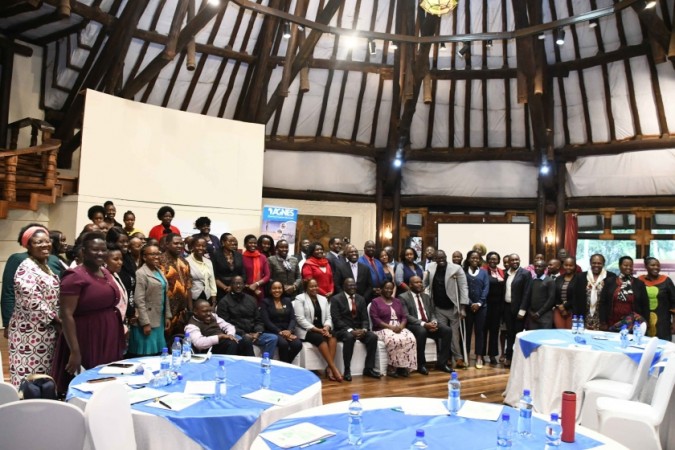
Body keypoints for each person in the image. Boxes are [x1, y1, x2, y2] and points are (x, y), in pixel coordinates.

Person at [51, 232, 125, 393]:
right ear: (84, 251)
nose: (100, 253)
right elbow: (66, 314)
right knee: (88, 381)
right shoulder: (74, 276)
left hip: (107, 332)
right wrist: (75, 351)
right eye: (95, 250)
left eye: (103, 250)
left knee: (106, 378)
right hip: (86, 334)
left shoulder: (105, 272)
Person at [8, 225, 61, 387]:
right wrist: (57, 321)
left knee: (44, 378)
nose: (45, 245)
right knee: (29, 380)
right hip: (29, 335)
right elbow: (33, 301)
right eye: (38, 242)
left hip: (46, 332)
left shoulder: (45, 266)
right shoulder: (26, 268)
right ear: (28, 246)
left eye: (47, 241)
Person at [424, 250, 469, 369]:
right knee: (443, 333)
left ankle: (458, 358)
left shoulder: (456, 268)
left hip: (453, 307)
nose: (441, 260)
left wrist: (463, 307)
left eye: (443, 258)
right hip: (438, 307)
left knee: (454, 335)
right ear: (435, 259)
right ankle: (445, 358)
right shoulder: (431, 267)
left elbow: (463, 287)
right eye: (438, 258)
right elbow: (425, 284)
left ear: (446, 257)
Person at [399, 275, 453, 375]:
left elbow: (432, 313)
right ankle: (421, 365)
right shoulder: (403, 297)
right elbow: (406, 315)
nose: (420, 284)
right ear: (410, 285)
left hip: (428, 324)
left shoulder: (426, 297)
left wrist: (433, 323)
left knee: (447, 330)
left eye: (420, 282)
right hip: (414, 326)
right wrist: (424, 324)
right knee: (422, 331)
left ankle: (442, 363)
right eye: (416, 282)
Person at [330, 278, 382, 381]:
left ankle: (369, 368)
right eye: (350, 285)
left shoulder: (360, 299)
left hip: (359, 329)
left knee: (372, 337)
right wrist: (350, 330)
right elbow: (336, 320)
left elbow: (365, 318)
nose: (352, 287)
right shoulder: (336, 299)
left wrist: (364, 329)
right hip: (343, 330)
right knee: (349, 337)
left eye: (354, 285)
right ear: (344, 287)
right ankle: (347, 370)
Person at [293, 278, 342, 382]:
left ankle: (329, 368)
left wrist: (327, 327)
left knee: (333, 336)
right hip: (306, 330)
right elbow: (300, 319)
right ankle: (333, 368)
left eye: (316, 286)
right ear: (306, 288)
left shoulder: (323, 299)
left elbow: (328, 317)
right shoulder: (300, 298)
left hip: (322, 328)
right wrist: (317, 330)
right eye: (311, 286)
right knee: (320, 339)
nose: (314, 288)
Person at [217, 276, 278, 357]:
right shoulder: (224, 302)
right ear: (231, 285)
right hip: (236, 333)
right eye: (235, 283)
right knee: (245, 340)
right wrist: (244, 334)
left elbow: (258, 319)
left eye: (240, 283)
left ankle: (265, 361)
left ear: (244, 285)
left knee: (273, 338)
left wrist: (258, 332)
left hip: (253, 333)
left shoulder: (251, 299)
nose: (238, 286)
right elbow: (225, 324)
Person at [128, 244, 171, 357]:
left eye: (158, 253)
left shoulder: (158, 271)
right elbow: (139, 300)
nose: (156, 256)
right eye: (152, 254)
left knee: (158, 353)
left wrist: (167, 316)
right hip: (147, 319)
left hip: (159, 318)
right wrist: (145, 323)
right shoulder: (141, 273)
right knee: (146, 355)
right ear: (144, 257)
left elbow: (164, 295)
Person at [369, 280, 417, 377]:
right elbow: (375, 319)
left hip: (399, 327)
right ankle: (392, 367)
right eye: (386, 288)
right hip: (382, 328)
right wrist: (390, 327)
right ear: (381, 289)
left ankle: (403, 366)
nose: (389, 290)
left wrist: (401, 326)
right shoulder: (375, 302)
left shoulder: (397, 301)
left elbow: (404, 317)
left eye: (391, 288)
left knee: (411, 339)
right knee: (394, 339)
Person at [600, 256, 649, 331]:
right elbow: (603, 303)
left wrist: (645, 323)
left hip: (632, 323)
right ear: (619, 266)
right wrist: (603, 322)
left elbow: (645, 305)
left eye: (630, 266)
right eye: (625, 265)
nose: (628, 267)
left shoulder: (639, 284)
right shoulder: (609, 281)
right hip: (611, 322)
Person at [158, 233, 193, 339]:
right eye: (176, 243)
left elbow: (188, 286)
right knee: (165, 340)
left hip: (182, 311)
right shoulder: (159, 261)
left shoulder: (184, 262)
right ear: (167, 244)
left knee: (179, 340)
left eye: (181, 243)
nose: (179, 246)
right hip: (165, 310)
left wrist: (190, 309)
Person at [260, 281, 303, 364]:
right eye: (274, 288)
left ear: (283, 289)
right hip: (273, 331)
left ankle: (286, 364)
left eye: (279, 288)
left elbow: (293, 318)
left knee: (297, 344)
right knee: (283, 344)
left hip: (287, 331)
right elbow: (266, 321)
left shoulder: (287, 300)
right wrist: (280, 332)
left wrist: (289, 331)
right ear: (270, 290)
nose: (277, 290)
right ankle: (284, 366)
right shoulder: (265, 302)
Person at [503, 253, 531, 367]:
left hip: (519, 309)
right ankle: (508, 357)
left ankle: (518, 359)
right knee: (509, 333)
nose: (515, 262)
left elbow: (527, 293)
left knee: (518, 334)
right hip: (507, 308)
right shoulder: (506, 273)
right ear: (508, 262)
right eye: (512, 260)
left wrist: (522, 310)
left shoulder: (525, 273)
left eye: (517, 260)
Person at [573, 254, 615, 331]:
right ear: (590, 263)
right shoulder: (581, 277)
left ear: (603, 264)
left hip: (602, 317)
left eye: (599, 263)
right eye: (594, 263)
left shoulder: (611, 277)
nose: (596, 265)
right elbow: (576, 297)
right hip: (584, 315)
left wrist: (605, 320)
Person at [463, 250, 489, 368]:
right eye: (472, 258)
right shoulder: (463, 272)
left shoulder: (484, 272)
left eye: (477, 258)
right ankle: (467, 356)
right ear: (468, 259)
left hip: (481, 308)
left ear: (480, 260)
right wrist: (470, 303)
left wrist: (479, 303)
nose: (475, 260)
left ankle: (479, 356)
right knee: (467, 332)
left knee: (480, 332)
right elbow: (462, 288)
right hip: (467, 307)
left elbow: (486, 288)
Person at [639, 257, 675, 339]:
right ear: (646, 266)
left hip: (663, 323)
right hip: (644, 322)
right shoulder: (640, 280)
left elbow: (674, 302)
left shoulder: (666, 281)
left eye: (658, 265)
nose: (656, 267)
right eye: (653, 265)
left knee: (663, 344)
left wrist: (674, 323)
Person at [483, 251, 505, 366]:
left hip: (497, 306)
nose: (493, 261)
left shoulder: (501, 272)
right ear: (487, 260)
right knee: (483, 331)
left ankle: (492, 355)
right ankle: (481, 354)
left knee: (494, 331)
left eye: (495, 259)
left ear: (498, 261)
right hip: (485, 305)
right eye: (491, 259)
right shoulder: (483, 271)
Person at [522, 260, 556, 329]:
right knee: (533, 335)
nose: (537, 268)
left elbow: (551, 299)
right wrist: (530, 311)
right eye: (536, 266)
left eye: (540, 266)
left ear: (545, 268)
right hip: (532, 315)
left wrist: (539, 313)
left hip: (545, 315)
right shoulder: (533, 280)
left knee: (544, 335)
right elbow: (528, 297)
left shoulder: (550, 281)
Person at [212, 233, 246, 298]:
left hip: (238, 288)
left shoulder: (238, 255)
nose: (233, 243)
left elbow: (243, 273)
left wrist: (237, 285)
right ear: (223, 242)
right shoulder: (215, 255)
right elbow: (213, 275)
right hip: (221, 289)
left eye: (233, 241)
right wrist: (225, 288)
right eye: (230, 241)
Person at [106, 245, 129, 337]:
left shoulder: (115, 274)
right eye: (115, 259)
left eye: (121, 259)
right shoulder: (103, 278)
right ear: (105, 260)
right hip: (110, 324)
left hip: (120, 322)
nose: (120, 262)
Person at [187, 237, 217, 306]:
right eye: (198, 245)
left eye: (203, 246)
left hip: (207, 297)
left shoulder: (208, 262)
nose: (201, 248)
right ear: (193, 247)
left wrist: (214, 302)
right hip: (193, 298)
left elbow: (212, 282)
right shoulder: (186, 261)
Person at [241, 234, 270, 303]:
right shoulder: (241, 257)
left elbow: (267, 275)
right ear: (245, 245)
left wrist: (256, 284)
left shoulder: (262, 257)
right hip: (245, 290)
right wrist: (249, 287)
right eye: (250, 243)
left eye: (255, 243)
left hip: (259, 290)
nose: (253, 245)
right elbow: (239, 275)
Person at [553, 257, 577, 329]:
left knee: (570, 332)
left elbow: (578, 296)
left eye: (571, 265)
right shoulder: (558, 278)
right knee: (560, 332)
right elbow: (554, 294)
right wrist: (560, 307)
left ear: (574, 266)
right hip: (559, 310)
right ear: (563, 266)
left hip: (573, 310)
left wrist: (565, 306)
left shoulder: (579, 279)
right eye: (566, 265)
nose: (568, 267)